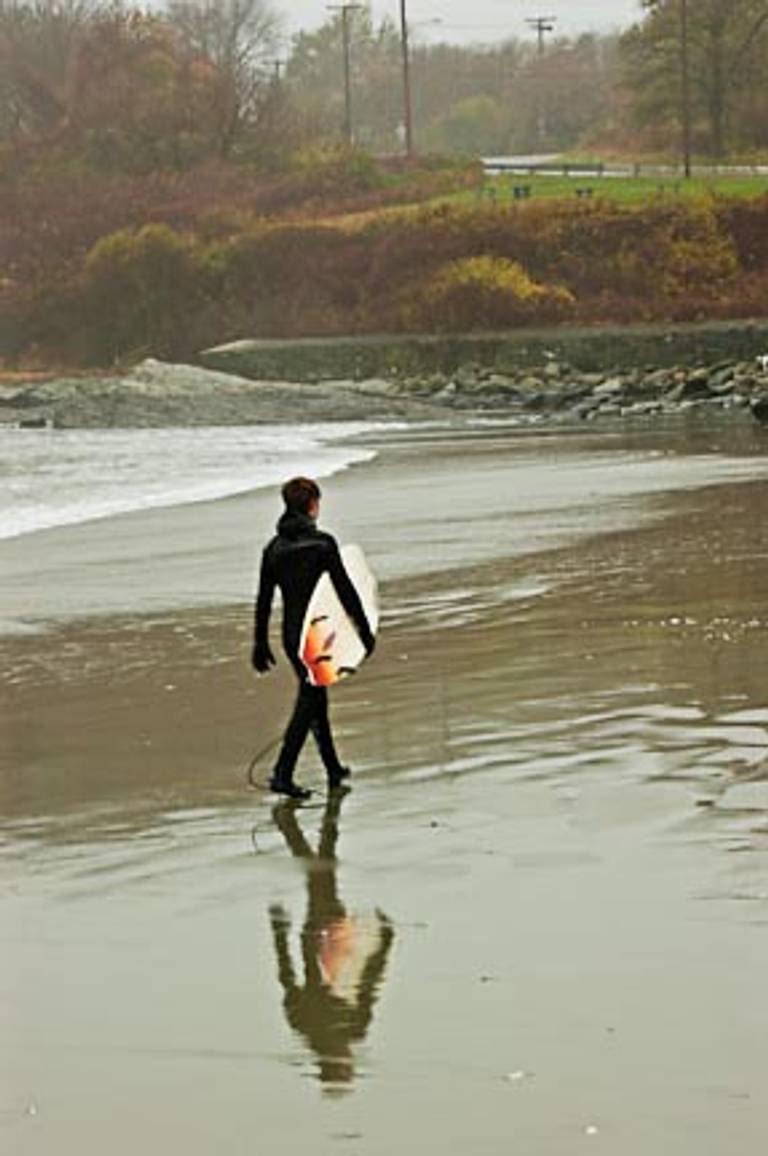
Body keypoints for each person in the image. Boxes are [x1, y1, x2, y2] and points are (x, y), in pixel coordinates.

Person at [252, 476, 375, 800]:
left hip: (293, 637)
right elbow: (346, 591)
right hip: (319, 635)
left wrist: (259, 643)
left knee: (316, 699)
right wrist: (364, 629)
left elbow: (264, 600)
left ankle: (332, 768)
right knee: (308, 702)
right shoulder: (322, 544)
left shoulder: (273, 550)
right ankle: (282, 773)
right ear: (311, 505)